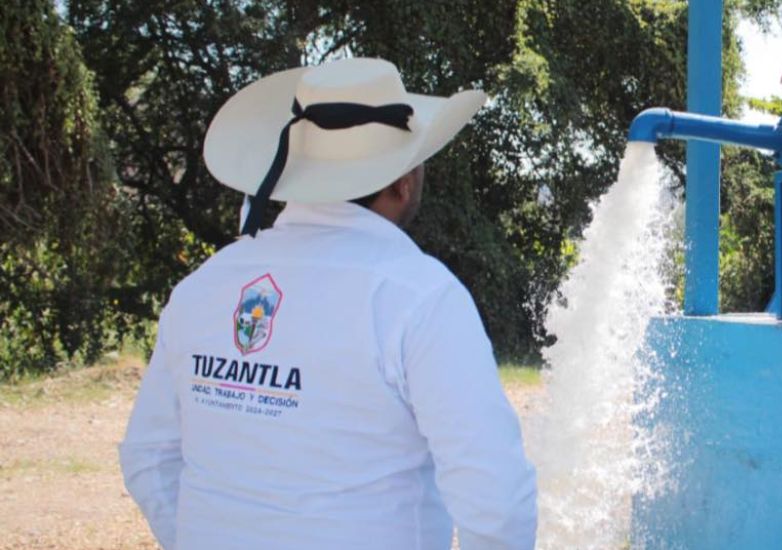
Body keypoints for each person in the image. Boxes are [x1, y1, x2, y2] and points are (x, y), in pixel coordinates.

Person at [119, 58, 538, 549]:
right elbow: (496, 497)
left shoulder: (203, 287)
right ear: (403, 181)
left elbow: (149, 458)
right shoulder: (418, 297)